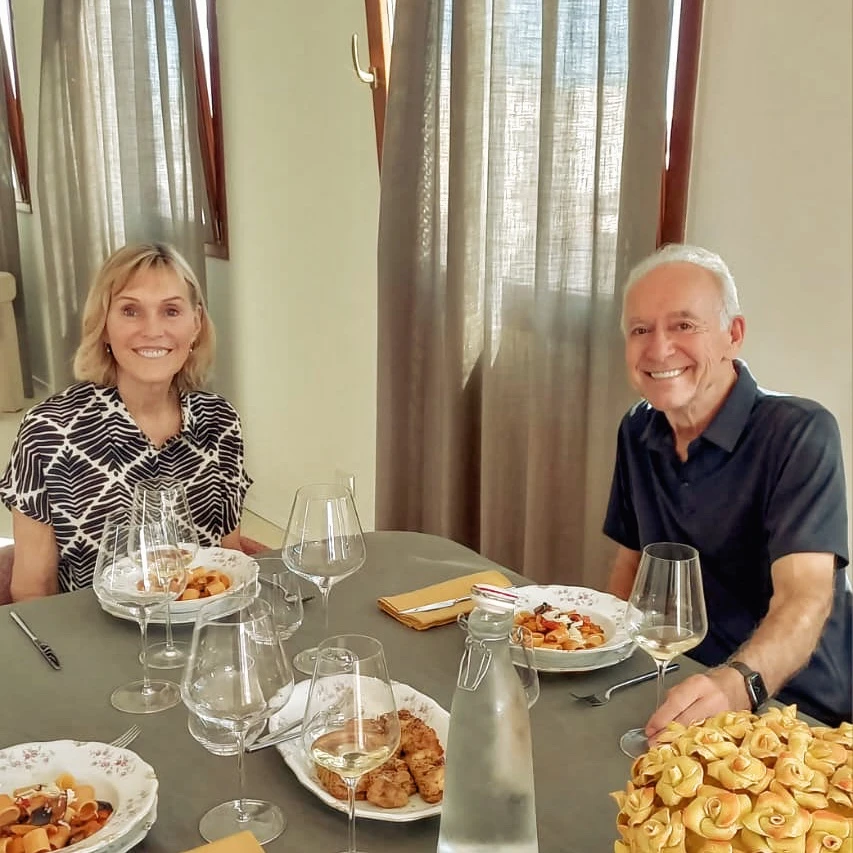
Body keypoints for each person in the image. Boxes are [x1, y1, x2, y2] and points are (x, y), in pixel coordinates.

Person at [604, 243, 851, 730]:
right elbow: (631, 565)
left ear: (733, 335)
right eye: (640, 330)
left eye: (683, 325)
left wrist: (739, 684)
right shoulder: (636, 428)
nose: (658, 348)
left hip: (795, 705)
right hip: (681, 681)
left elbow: (805, 596)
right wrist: (606, 655)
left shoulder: (800, 432)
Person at [0, 243, 253, 601]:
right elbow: (33, 589)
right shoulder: (49, 431)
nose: (153, 330)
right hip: (90, 631)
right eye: (131, 311)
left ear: (196, 323)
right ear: (104, 324)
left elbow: (228, 562)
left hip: (202, 628)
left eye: (171, 311)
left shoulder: (220, 422)